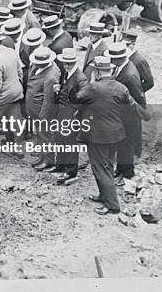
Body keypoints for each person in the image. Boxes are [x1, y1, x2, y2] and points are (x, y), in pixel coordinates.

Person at [70, 56, 140, 215]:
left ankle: (112, 204)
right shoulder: (121, 88)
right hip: (116, 134)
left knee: (100, 168)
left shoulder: (93, 87)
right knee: (108, 166)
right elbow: (132, 108)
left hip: (98, 136)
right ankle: (104, 195)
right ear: (111, 70)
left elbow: (76, 99)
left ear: (97, 71)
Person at [105, 42, 145, 183]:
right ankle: (121, 169)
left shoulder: (129, 75)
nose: (110, 60)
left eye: (111, 58)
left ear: (118, 59)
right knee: (122, 144)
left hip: (129, 116)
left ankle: (127, 173)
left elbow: (138, 98)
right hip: (123, 114)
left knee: (126, 145)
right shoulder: (122, 68)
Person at [52, 48, 88, 185]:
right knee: (60, 139)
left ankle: (71, 171)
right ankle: (61, 165)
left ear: (74, 62)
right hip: (61, 112)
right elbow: (65, 92)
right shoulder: (66, 74)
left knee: (70, 143)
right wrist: (58, 91)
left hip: (72, 115)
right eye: (65, 62)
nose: (67, 65)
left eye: (70, 63)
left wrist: (76, 117)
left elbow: (85, 102)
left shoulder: (81, 79)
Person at [25, 46, 60, 171]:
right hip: (34, 108)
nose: (37, 64)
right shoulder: (38, 66)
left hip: (42, 111)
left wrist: (43, 115)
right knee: (40, 135)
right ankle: (42, 157)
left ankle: (49, 161)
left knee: (45, 136)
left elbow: (48, 99)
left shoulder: (51, 76)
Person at [122, 28, 154, 93]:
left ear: (133, 44)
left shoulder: (140, 60)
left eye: (127, 45)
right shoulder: (123, 56)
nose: (124, 47)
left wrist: (137, 91)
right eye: (123, 44)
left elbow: (149, 82)